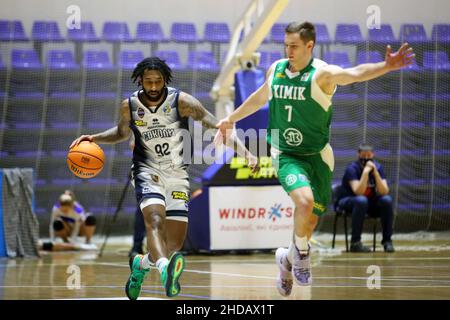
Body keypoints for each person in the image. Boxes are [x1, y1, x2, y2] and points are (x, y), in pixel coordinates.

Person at [215, 21, 414, 296]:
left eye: (294, 46)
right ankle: (303, 254)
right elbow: (259, 97)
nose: (288, 51)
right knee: (304, 202)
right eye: (285, 45)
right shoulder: (276, 69)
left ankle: (286, 259)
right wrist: (230, 118)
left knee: (309, 220)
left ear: (310, 45)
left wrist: (386, 66)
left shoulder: (323, 74)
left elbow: (354, 73)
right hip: (286, 154)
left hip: (318, 156)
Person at [70, 57, 257, 299]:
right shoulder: (129, 106)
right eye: (149, 82)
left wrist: (247, 153)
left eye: (158, 81)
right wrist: (94, 138)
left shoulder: (183, 102)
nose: (154, 86)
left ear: (165, 80)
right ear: (140, 81)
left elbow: (218, 126)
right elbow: (120, 132)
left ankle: (141, 265)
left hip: (177, 174)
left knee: (174, 243)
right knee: (155, 221)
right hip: (147, 171)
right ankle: (165, 270)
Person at [338, 143, 394, 253]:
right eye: (364, 155)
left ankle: (387, 241)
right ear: (359, 155)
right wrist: (365, 173)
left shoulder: (378, 167)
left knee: (387, 200)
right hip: (349, 201)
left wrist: (376, 173)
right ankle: (355, 243)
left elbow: (384, 191)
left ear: (373, 155)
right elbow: (358, 192)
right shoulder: (352, 169)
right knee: (361, 200)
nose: (367, 158)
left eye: (369, 155)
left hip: (368, 203)